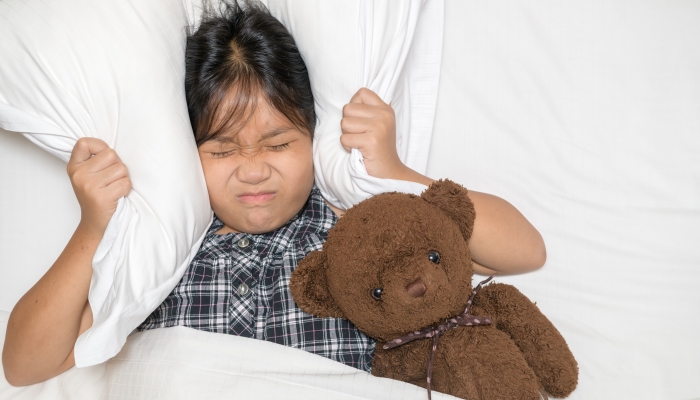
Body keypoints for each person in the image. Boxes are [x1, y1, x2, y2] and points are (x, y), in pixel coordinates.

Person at [2, 0, 546, 386]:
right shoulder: (159, 251)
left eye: (278, 143)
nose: (253, 171)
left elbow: (524, 251)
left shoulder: (355, 229)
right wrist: (95, 225)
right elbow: (25, 365)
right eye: (221, 152)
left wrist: (391, 171)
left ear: (313, 135)